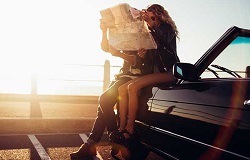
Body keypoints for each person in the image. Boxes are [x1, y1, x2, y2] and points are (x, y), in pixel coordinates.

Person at [70, 15, 153, 158]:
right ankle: (91, 146)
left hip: (134, 77)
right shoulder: (125, 34)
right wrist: (104, 30)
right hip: (121, 76)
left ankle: (112, 137)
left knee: (104, 100)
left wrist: (119, 54)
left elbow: (139, 62)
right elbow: (105, 47)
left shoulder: (145, 36)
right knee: (102, 109)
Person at [109, 4, 180, 143]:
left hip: (170, 71)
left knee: (132, 87)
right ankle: (121, 126)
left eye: (153, 17)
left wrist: (153, 25)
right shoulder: (148, 32)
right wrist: (142, 54)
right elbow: (148, 59)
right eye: (149, 17)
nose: (150, 20)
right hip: (155, 72)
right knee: (122, 89)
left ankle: (130, 128)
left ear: (160, 16)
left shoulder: (167, 29)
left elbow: (165, 41)